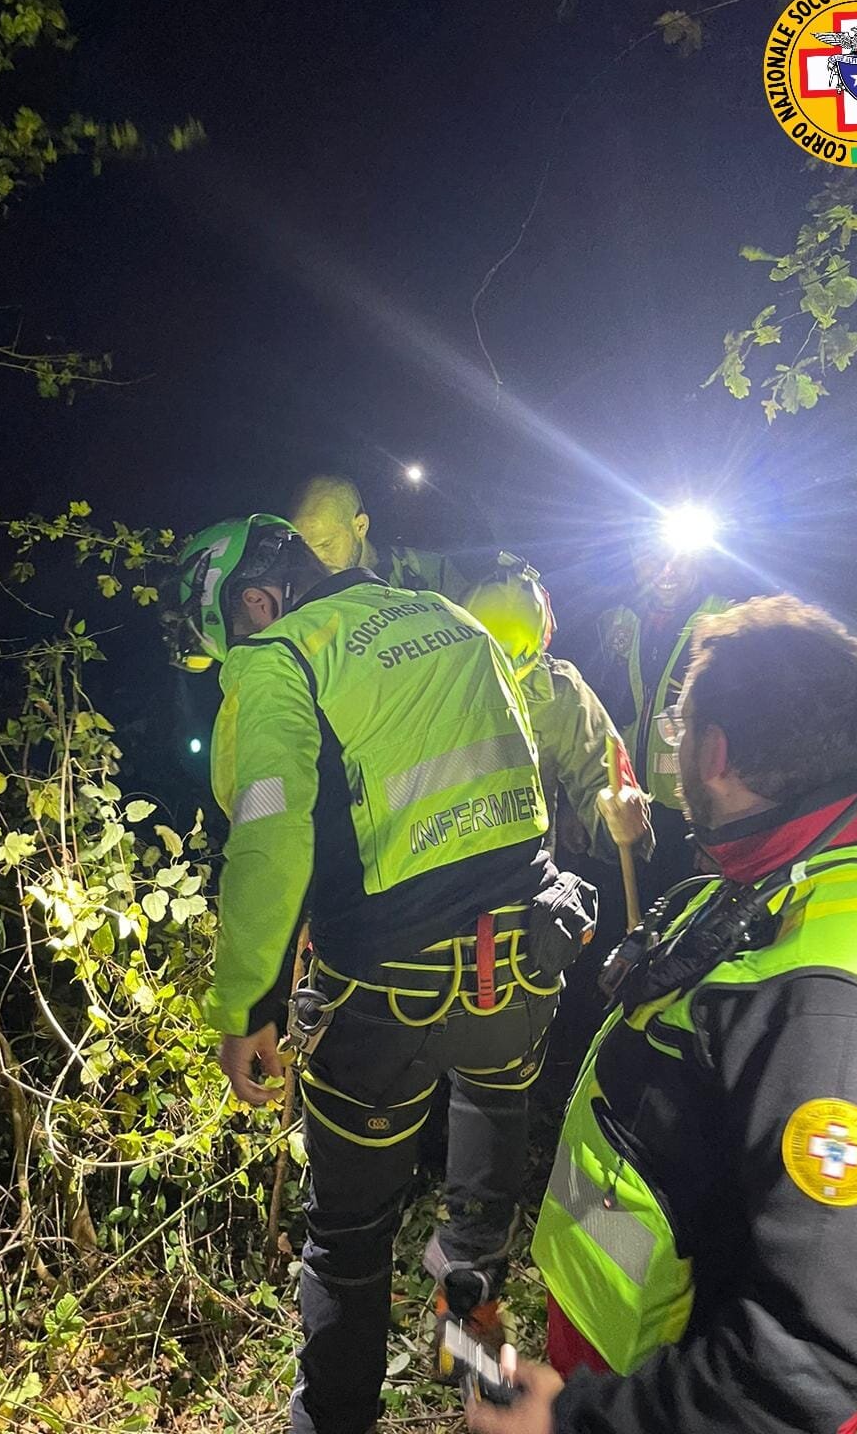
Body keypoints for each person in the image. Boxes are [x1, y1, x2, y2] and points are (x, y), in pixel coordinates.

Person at [467, 595, 857, 1434]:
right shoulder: (787, 872)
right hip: (629, 1355)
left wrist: (578, 1421)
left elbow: (813, 1357)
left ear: (713, 751)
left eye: (679, 732)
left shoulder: (828, 1008)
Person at [168, 514, 596, 1434]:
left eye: (224, 637)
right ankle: (479, 1375)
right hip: (519, 968)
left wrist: (249, 1002)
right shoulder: (447, 616)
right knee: (480, 1218)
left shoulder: (280, 654)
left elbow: (273, 838)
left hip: (387, 998)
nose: (231, 655)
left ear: (254, 600)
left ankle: (335, 1423)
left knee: (349, 1244)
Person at [463, 554, 654, 865]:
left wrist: (617, 821)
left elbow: (602, 775)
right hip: (433, 888)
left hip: (520, 885)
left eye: (515, 664)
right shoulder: (426, 677)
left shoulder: (557, 692)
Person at [594, 521, 731, 903]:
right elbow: (597, 711)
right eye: (651, 557)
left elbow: (742, 731)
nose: (666, 571)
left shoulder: (723, 622)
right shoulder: (616, 620)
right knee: (625, 922)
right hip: (626, 804)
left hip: (691, 814)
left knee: (681, 926)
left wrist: (718, 828)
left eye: (680, 559)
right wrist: (580, 806)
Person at [290, 471, 469, 600]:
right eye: (305, 550)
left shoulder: (428, 572)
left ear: (360, 526)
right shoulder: (297, 591)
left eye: (326, 545)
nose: (316, 561)